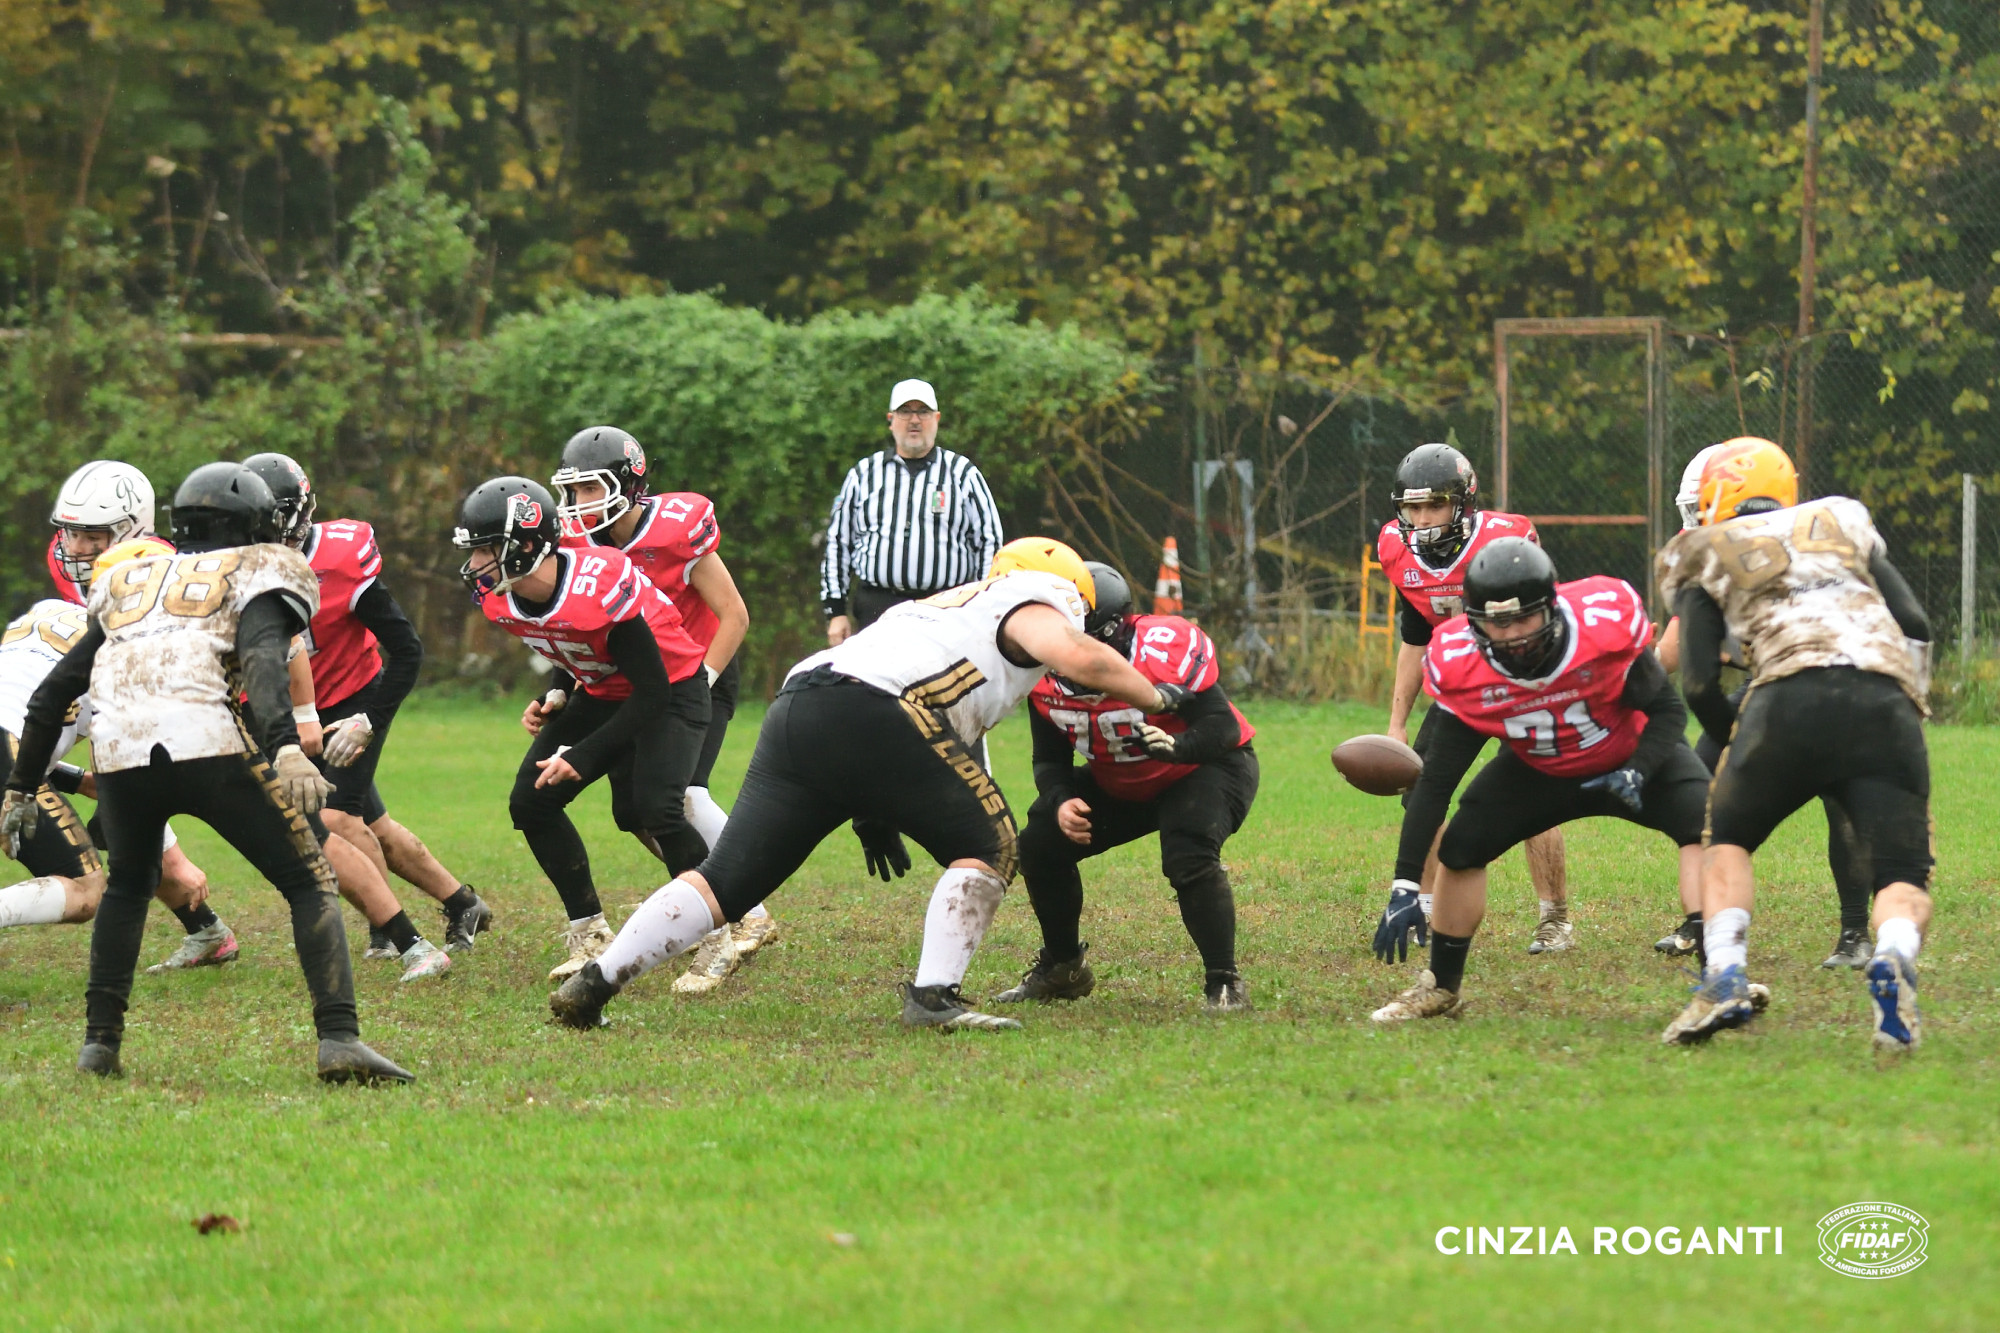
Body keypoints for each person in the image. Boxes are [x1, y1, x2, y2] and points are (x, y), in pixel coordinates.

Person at [548, 537, 1194, 1033]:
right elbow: (1078, 655)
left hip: (802, 704)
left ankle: (595, 985)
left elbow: (912, 716)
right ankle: (933, 996)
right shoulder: (1034, 598)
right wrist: (1155, 691)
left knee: (727, 880)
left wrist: (874, 810)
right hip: (878, 712)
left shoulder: (940, 610)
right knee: (991, 841)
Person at [0, 463, 410, 1083]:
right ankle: (339, 1039)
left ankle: (99, 1047)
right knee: (307, 881)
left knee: (127, 888)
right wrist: (287, 746)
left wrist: (21, 784)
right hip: (206, 738)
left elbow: (53, 691)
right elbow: (263, 660)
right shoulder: (258, 569)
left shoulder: (128, 578)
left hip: (119, 750)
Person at [1370, 538, 1722, 1026]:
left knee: (1706, 826)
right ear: (1472, 621)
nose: (1511, 634)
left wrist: (1638, 769)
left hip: (1627, 752)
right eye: (1497, 622)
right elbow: (1434, 783)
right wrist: (1406, 882)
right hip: (1537, 767)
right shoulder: (1462, 664)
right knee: (1462, 847)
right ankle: (1441, 986)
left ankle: (1721, 978)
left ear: (1551, 609)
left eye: (1522, 619)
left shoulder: (1601, 629)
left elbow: (1666, 711)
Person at [1657, 439, 1934, 1050]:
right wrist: (1907, 706)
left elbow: (1698, 679)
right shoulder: (1841, 519)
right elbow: (1915, 623)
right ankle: (1891, 955)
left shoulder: (1703, 549)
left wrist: (1739, 741)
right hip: (1883, 697)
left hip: (1786, 696)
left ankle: (1725, 973)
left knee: (1726, 840)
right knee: (1903, 871)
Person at [452, 475, 712, 981]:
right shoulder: (505, 596)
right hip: (603, 690)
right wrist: (555, 692)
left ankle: (718, 930)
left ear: (526, 547)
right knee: (531, 803)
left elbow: (652, 690)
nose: (477, 563)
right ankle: (590, 931)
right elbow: (566, 639)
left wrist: (584, 755)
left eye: (487, 549)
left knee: (656, 808)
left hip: (673, 688)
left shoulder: (595, 584)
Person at [240, 453, 492, 960]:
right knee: (373, 826)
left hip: (352, 696)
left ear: (300, 512)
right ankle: (462, 903)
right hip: (279, 708)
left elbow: (408, 650)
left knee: (336, 819)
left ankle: (388, 929)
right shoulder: (232, 563)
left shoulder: (339, 559)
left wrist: (370, 719)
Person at [549, 426, 771, 993]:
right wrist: (560, 686)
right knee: (636, 811)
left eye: (589, 491)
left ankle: (749, 908)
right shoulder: (579, 544)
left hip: (702, 671)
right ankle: (717, 896)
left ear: (627, 484)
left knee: (683, 796)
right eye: (572, 493)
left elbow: (735, 616)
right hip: (640, 686)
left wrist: (702, 680)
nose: (578, 506)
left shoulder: (673, 532)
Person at [1653, 441, 1874, 969]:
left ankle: (1850, 931)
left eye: (1702, 505)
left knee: (1827, 797)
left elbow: (1678, 658)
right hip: (1791, 685)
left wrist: (1609, 674)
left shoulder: (1737, 555)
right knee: (1699, 784)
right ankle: (1708, 922)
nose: (1697, 519)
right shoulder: (1817, 533)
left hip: (1810, 688)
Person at [1000, 563, 1259, 1011]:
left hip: (1203, 767)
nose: (1070, 653)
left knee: (1188, 850)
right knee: (1040, 841)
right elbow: (1049, 760)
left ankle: (1224, 980)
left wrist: (1178, 747)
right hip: (1120, 779)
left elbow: (1220, 727)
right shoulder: (1041, 673)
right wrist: (1061, 801)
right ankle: (1064, 968)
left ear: (1114, 630)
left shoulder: (1161, 648)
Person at [1370, 443, 1571, 962]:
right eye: (1411, 507)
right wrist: (1396, 723)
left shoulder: (1506, 538)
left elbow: (1549, 616)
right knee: (1423, 791)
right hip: (1462, 684)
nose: (1421, 518)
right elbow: (1415, 637)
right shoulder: (1396, 548)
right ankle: (1426, 905)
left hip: (1523, 676)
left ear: (1463, 503)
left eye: (1433, 505)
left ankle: (1555, 917)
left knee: (1532, 792)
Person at [43, 460, 220, 963]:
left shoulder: (157, 567)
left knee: (133, 829)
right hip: (107, 692)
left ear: (130, 529)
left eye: (91, 535)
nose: (74, 547)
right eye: (70, 533)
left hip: (175, 700)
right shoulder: (67, 560)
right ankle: (205, 930)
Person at [0, 594, 227, 950]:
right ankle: (205, 929)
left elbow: (17, 723)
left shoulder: (48, 608)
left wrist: (76, 780)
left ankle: (205, 931)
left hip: (11, 749)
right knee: (85, 889)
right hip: (8, 753)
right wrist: (178, 862)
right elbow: (128, 780)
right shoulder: (128, 656)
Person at [819, 378, 1005, 645]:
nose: (914, 420)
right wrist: (835, 612)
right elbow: (839, 543)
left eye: (923, 412)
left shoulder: (963, 474)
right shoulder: (863, 475)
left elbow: (990, 542)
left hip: (946, 607)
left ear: (937, 418)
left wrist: (984, 605)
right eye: (906, 411)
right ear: (891, 419)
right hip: (877, 607)